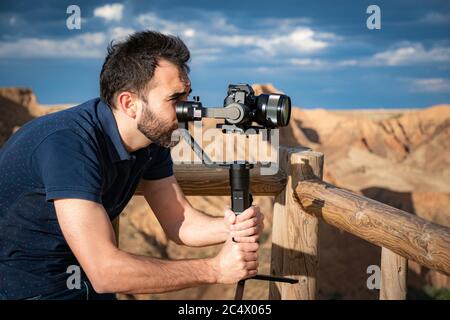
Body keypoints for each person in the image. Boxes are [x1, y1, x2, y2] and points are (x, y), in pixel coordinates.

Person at [0, 30, 264, 300]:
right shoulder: (70, 145)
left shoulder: (152, 139)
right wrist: (215, 269)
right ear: (129, 103)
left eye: (188, 96)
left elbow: (178, 221)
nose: (190, 112)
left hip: (88, 287)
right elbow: (106, 272)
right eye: (176, 99)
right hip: (31, 291)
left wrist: (233, 227)